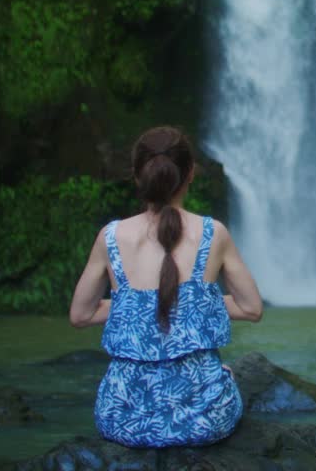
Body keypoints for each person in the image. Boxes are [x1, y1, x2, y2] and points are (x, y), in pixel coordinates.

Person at [68, 126, 263, 448]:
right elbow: (251, 308)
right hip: (204, 417)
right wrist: (190, 303)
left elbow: (81, 314)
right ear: (190, 175)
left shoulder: (111, 237)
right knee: (223, 377)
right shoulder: (214, 233)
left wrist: (140, 305)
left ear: (137, 176)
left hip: (123, 418)